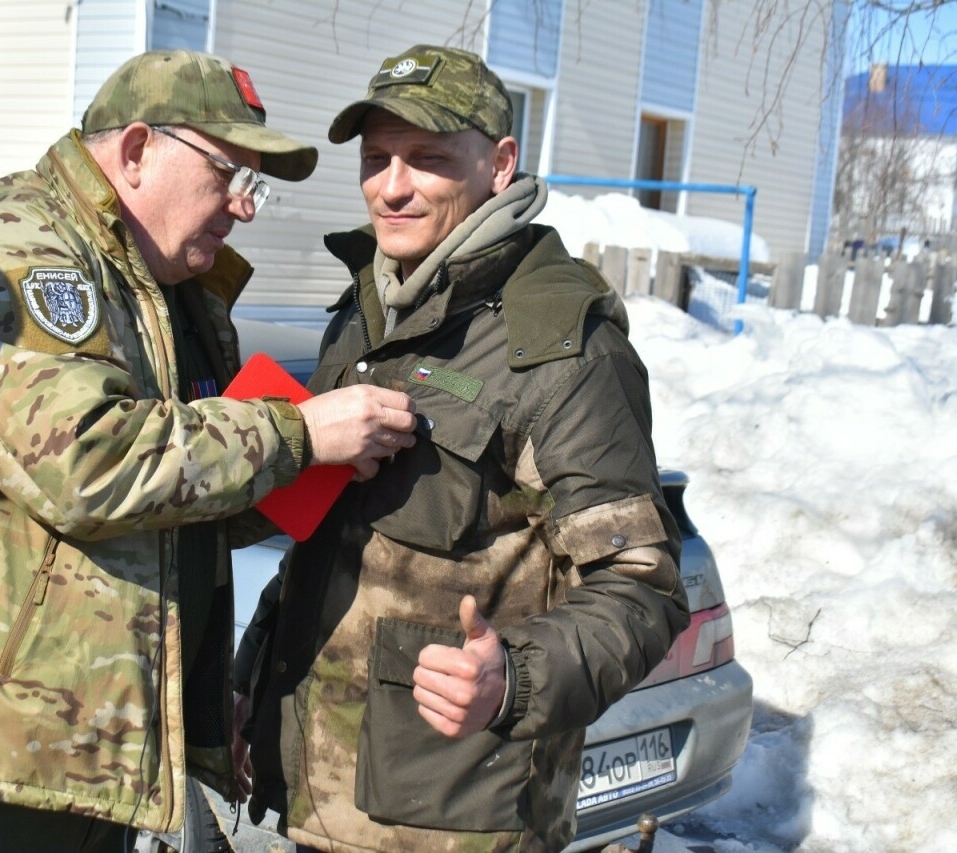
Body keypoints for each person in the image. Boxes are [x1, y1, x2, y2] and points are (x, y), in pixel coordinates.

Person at [0, 49, 417, 853]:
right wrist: (300, 434)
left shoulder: (167, 289)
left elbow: (176, 506)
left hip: (74, 768)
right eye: (229, 177)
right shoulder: (12, 250)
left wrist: (310, 471)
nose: (243, 209)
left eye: (254, 188)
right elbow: (86, 467)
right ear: (135, 151)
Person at [233, 45, 690, 852]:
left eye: (429, 159)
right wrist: (251, 690)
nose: (391, 186)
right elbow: (321, 543)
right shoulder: (366, 309)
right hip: (319, 802)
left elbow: (644, 588)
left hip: (454, 819)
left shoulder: (560, 348)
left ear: (500, 164)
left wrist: (514, 674)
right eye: (376, 159)